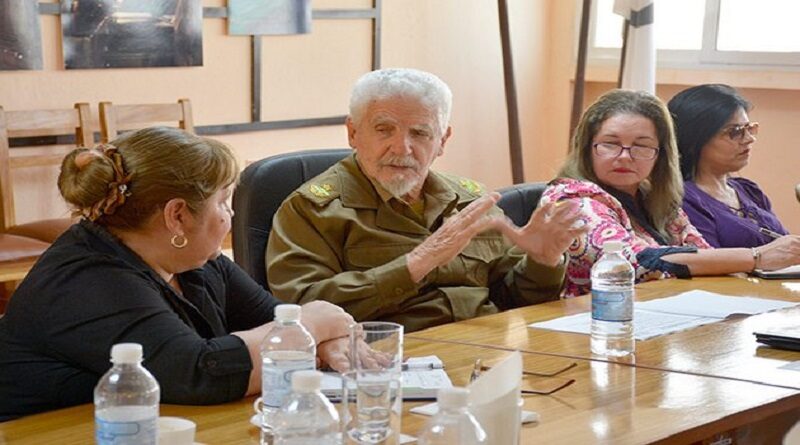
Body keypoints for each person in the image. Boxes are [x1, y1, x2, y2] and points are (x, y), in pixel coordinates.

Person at [0, 127, 355, 421]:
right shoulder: (86, 281)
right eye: (223, 201)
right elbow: (200, 374)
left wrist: (324, 341)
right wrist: (313, 325)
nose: (228, 215)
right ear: (177, 216)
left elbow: (272, 320)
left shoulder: (194, 260)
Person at [267, 68, 585, 332]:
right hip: (388, 361)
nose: (402, 147)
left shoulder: (469, 202)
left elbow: (515, 298)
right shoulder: (312, 209)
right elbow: (302, 310)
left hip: (486, 351)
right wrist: (417, 263)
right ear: (353, 132)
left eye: (420, 133)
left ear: (443, 140)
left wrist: (543, 262)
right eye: (384, 130)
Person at [540, 89, 800, 297]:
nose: (625, 157)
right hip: (593, 328)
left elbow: (700, 251)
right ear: (587, 147)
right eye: (610, 144)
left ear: (660, 155)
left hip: (655, 321)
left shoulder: (653, 196)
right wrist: (757, 257)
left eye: (642, 146)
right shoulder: (573, 197)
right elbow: (638, 261)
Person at [668, 84, 789, 248]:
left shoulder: (749, 190)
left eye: (749, 128)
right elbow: (711, 260)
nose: (749, 139)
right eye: (735, 131)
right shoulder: (684, 199)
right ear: (694, 140)